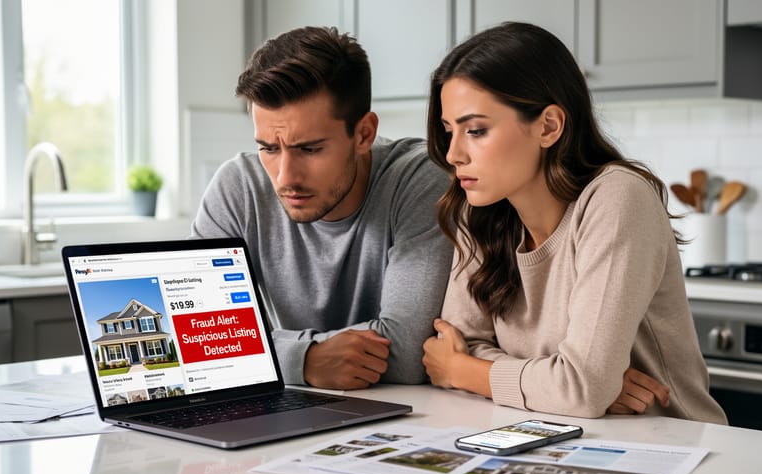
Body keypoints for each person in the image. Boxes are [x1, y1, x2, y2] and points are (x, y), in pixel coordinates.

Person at [421, 22, 727, 424]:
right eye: (449, 131)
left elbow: (580, 387)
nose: (453, 154)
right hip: (555, 434)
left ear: (549, 126)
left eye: (476, 130)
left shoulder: (617, 198)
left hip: (669, 441)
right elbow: (457, 344)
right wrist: (567, 385)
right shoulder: (479, 209)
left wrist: (465, 372)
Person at [190, 26, 453, 389]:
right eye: (268, 148)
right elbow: (195, 339)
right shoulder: (239, 186)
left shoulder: (419, 180)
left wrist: (259, 352)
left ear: (364, 134)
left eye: (310, 149)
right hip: (296, 399)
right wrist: (305, 358)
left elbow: (406, 354)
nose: (286, 177)